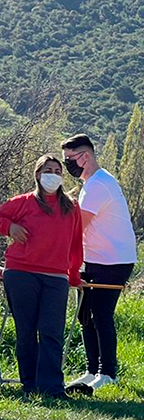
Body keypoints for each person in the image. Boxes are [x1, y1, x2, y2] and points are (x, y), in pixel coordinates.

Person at [0, 155, 83, 398]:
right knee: (26, 331)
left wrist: (73, 275)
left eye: (58, 171)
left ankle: (52, 388)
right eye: (48, 170)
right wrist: (9, 227)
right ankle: (30, 385)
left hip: (56, 277)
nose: (53, 175)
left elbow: (76, 244)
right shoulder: (23, 202)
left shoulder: (71, 207)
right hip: (21, 273)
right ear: (38, 174)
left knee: (52, 332)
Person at [60, 134, 138, 393]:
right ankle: (92, 370)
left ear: (85, 157)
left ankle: (108, 373)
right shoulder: (91, 184)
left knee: (101, 315)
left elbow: (77, 227)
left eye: (70, 159)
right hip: (93, 259)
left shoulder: (99, 185)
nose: (67, 164)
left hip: (112, 261)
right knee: (85, 316)